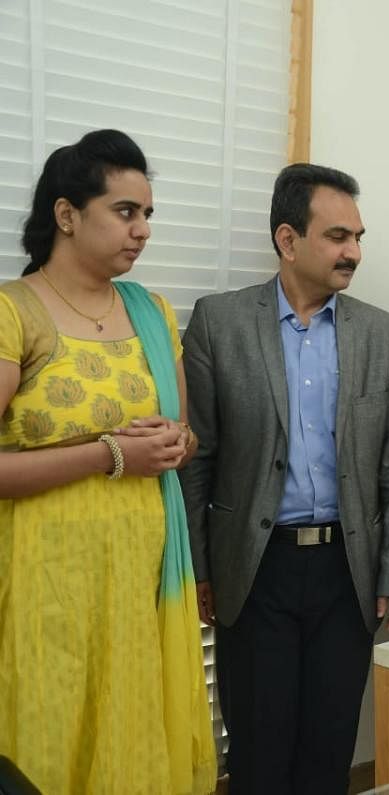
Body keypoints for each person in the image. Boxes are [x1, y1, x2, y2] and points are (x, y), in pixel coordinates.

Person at [179, 163, 389, 794]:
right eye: (339, 236)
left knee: (329, 746)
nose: (354, 253)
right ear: (289, 241)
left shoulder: (383, 334)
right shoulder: (220, 322)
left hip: (348, 572)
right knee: (260, 751)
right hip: (256, 571)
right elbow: (196, 457)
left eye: (359, 237)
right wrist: (201, 568)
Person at [0, 129, 216, 794]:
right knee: (48, 738)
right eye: (126, 211)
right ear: (67, 214)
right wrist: (111, 453)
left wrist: (176, 443)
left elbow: (184, 436)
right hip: (44, 583)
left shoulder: (151, 310)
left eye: (148, 214)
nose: (142, 229)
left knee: (130, 738)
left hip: (139, 580)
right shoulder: (15, 312)